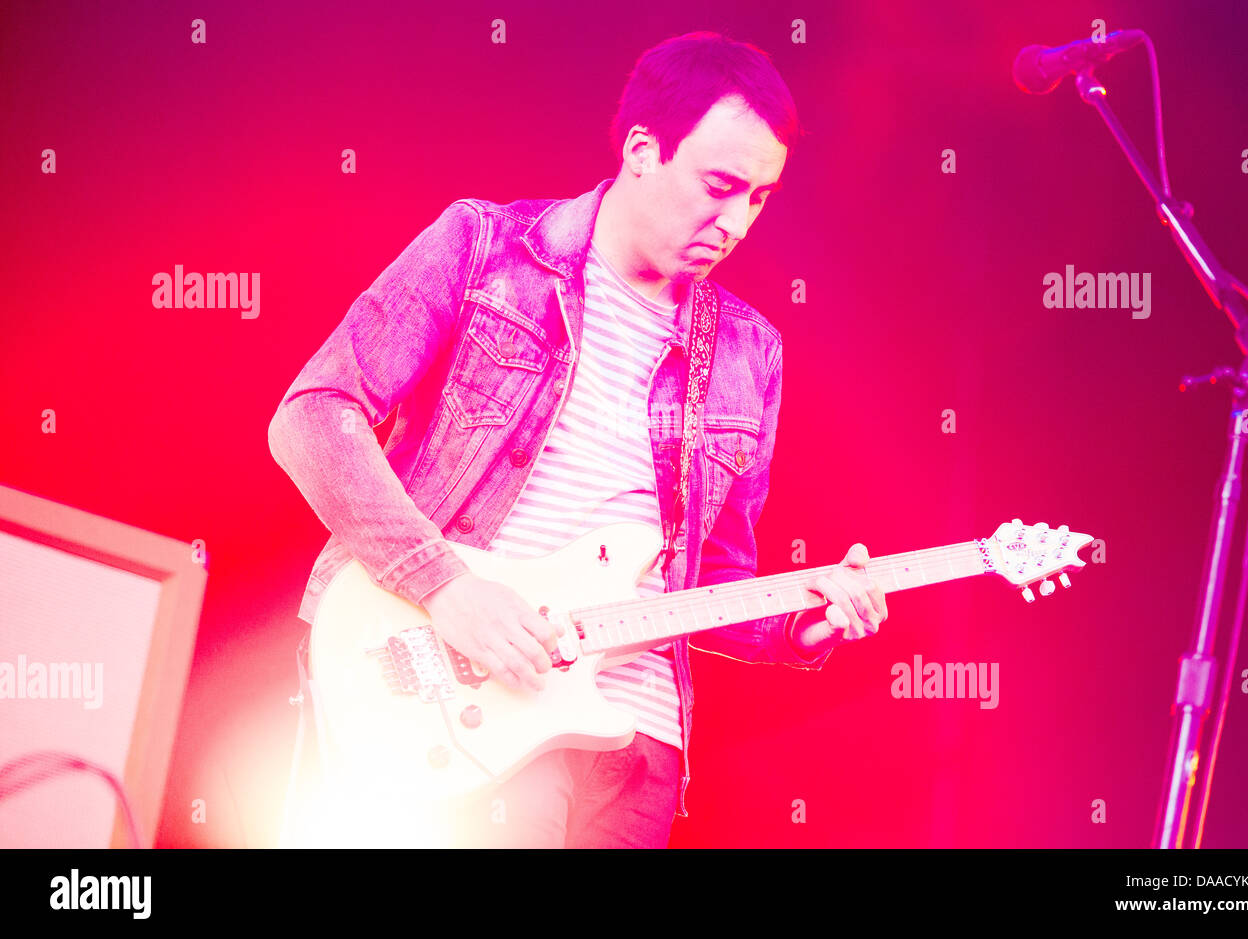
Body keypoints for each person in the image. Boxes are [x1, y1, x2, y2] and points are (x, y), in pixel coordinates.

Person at [268, 30, 887, 849]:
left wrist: (802, 625)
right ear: (641, 149)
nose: (735, 221)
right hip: (474, 689)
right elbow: (312, 415)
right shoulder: (485, 250)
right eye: (719, 185)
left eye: (760, 198)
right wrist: (446, 585)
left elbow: (712, 581)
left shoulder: (750, 351)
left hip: (639, 747)